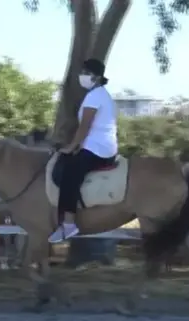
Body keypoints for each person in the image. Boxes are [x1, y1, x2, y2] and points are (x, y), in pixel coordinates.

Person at [48, 58, 118, 243]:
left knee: (70, 172)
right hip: (100, 145)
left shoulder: (94, 96)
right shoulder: (102, 94)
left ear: (95, 77)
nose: (82, 76)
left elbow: (85, 126)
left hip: (98, 147)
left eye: (85, 73)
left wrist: (72, 147)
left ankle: (69, 224)